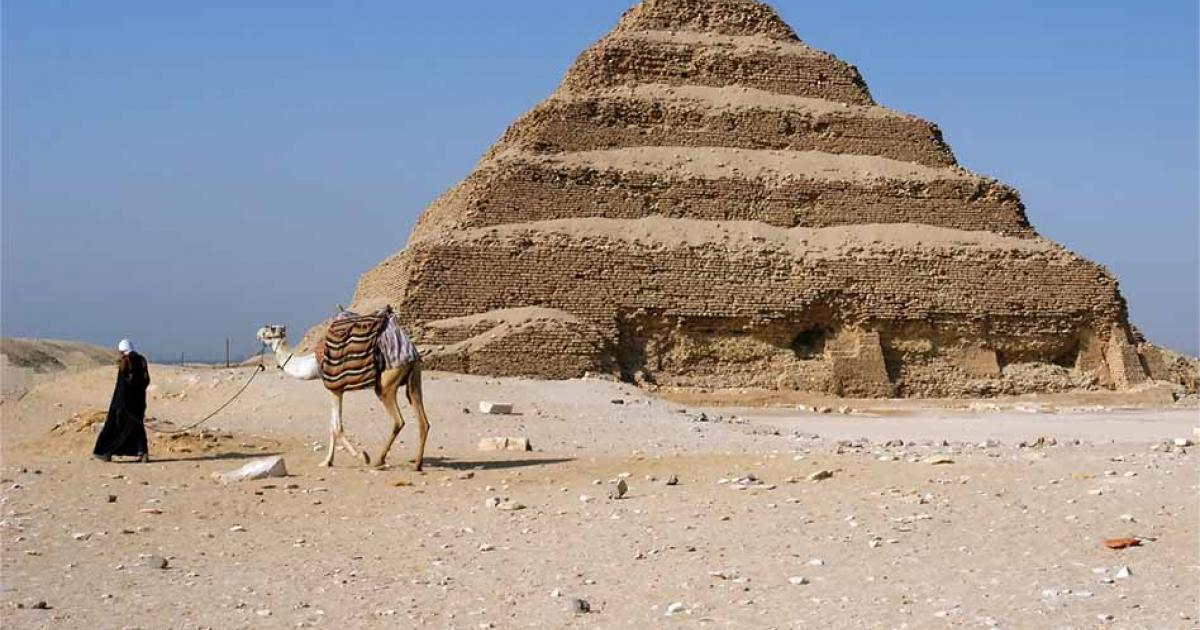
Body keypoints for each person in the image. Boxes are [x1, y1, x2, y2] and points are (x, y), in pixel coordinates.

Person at [93, 339, 151, 462]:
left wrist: (119, 404)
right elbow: (146, 381)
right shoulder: (142, 361)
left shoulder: (125, 362)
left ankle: (106, 452)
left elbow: (121, 386)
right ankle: (143, 453)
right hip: (139, 403)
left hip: (123, 404)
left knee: (115, 427)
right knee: (137, 427)